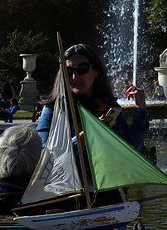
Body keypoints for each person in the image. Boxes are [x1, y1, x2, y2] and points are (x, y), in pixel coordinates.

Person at [36, 43, 150, 207]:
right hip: (66, 199)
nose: (74, 77)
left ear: (96, 71)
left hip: (109, 197)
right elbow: (46, 160)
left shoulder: (108, 106)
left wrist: (140, 110)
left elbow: (131, 152)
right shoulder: (53, 110)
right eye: (69, 71)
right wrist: (85, 137)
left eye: (81, 69)